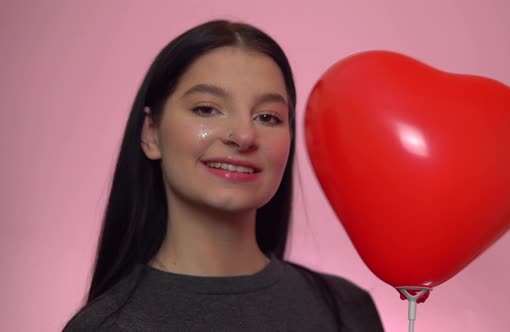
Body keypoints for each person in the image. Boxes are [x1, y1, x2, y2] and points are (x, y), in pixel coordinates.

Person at [63, 19, 384, 331]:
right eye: (206, 109)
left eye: (268, 117)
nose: (244, 136)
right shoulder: (108, 326)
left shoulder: (347, 309)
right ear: (151, 133)